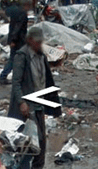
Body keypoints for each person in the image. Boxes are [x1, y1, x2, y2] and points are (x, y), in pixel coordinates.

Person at [9, 27, 62, 169]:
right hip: (27, 106)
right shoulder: (22, 56)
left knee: (41, 141)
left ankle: (38, 166)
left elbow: (46, 79)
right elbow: (16, 82)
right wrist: (21, 102)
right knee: (28, 142)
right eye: (37, 42)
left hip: (39, 103)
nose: (39, 45)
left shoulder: (41, 56)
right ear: (30, 41)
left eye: (40, 42)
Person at [0, 0, 32, 85]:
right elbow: (17, 28)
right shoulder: (22, 13)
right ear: (26, 5)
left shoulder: (16, 12)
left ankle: (22, 77)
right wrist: (13, 40)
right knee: (14, 59)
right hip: (19, 40)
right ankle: (3, 77)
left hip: (16, 39)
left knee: (18, 58)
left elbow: (13, 26)